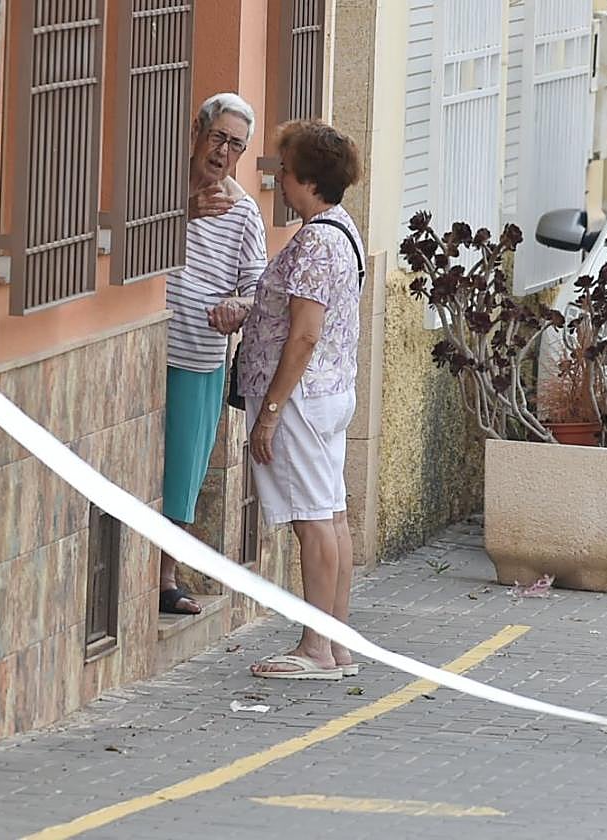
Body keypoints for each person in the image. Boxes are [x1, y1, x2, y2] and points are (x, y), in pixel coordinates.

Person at [231, 119, 364, 678]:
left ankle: (316, 646)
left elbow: (304, 334)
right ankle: (336, 643)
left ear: (308, 179)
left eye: (284, 170)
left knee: (313, 519)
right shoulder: (341, 230)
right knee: (330, 514)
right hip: (331, 392)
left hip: (305, 399)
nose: (278, 179)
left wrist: (271, 412)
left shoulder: (315, 244)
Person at [159, 93, 268, 615]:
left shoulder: (244, 211)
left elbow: (258, 289)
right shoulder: (160, 188)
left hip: (199, 354)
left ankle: (164, 577)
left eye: (237, 145)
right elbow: (136, 236)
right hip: (151, 348)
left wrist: (237, 308)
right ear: (196, 132)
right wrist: (181, 209)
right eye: (219, 137)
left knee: (183, 473)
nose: (224, 152)